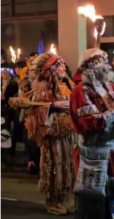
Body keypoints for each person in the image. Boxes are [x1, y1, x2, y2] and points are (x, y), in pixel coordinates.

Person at [69, 48, 114, 219]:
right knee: (95, 203)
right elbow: (93, 122)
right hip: (93, 153)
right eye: (104, 63)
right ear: (93, 67)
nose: (109, 67)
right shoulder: (80, 92)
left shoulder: (109, 87)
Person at [10, 53, 76, 215]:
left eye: (63, 65)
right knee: (54, 167)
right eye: (59, 65)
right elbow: (36, 109)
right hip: (52, 136)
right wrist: (53, 106)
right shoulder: (42, 86)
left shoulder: (66, 84)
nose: (63, 68)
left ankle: (65, 199)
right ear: (51, 69)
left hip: (67, 135)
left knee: (68, 168)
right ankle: (53, 201)